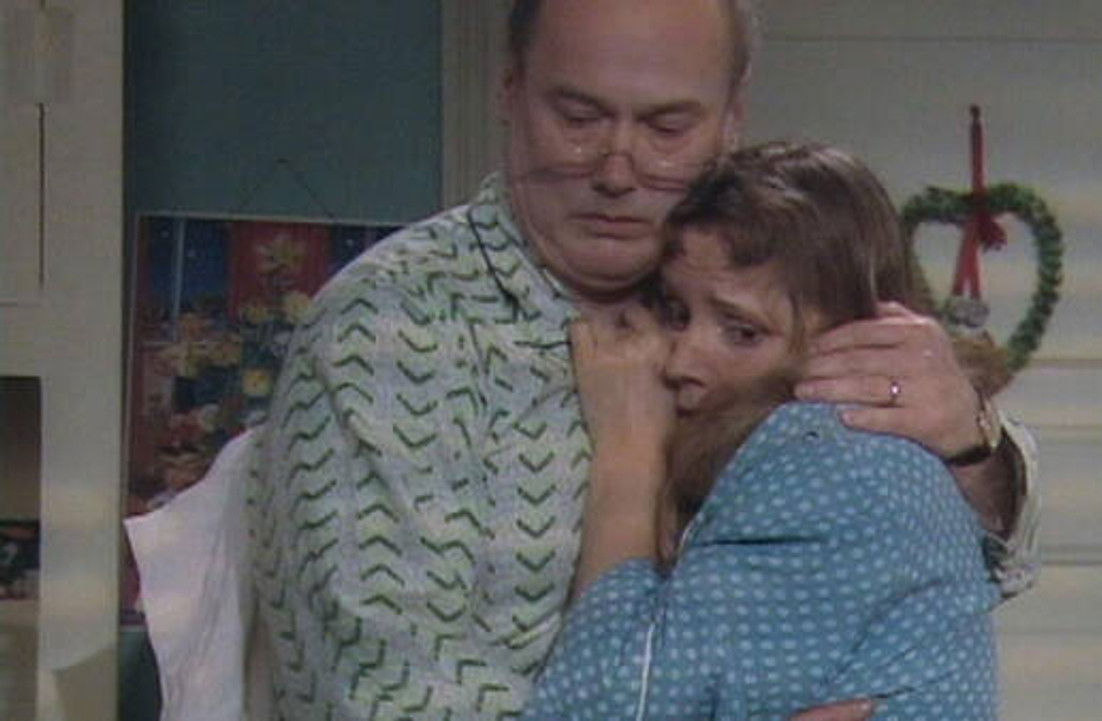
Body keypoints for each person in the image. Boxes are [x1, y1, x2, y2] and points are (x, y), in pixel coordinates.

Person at [248, 2, 1037, 720]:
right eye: (578, 117)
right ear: (510, 91)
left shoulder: (781, 282)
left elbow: (959, 577)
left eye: (667, 128)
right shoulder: (389, 330)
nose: (617, 170)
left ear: (731, 118)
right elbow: (383, 700)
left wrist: (972, 447)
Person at [526, 140, 1000, 721]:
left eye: (742, 332)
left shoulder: (836, 464)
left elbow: (606, 707)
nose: (679, 362)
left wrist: (629, 457)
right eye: (676, 313)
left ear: (861, 342)